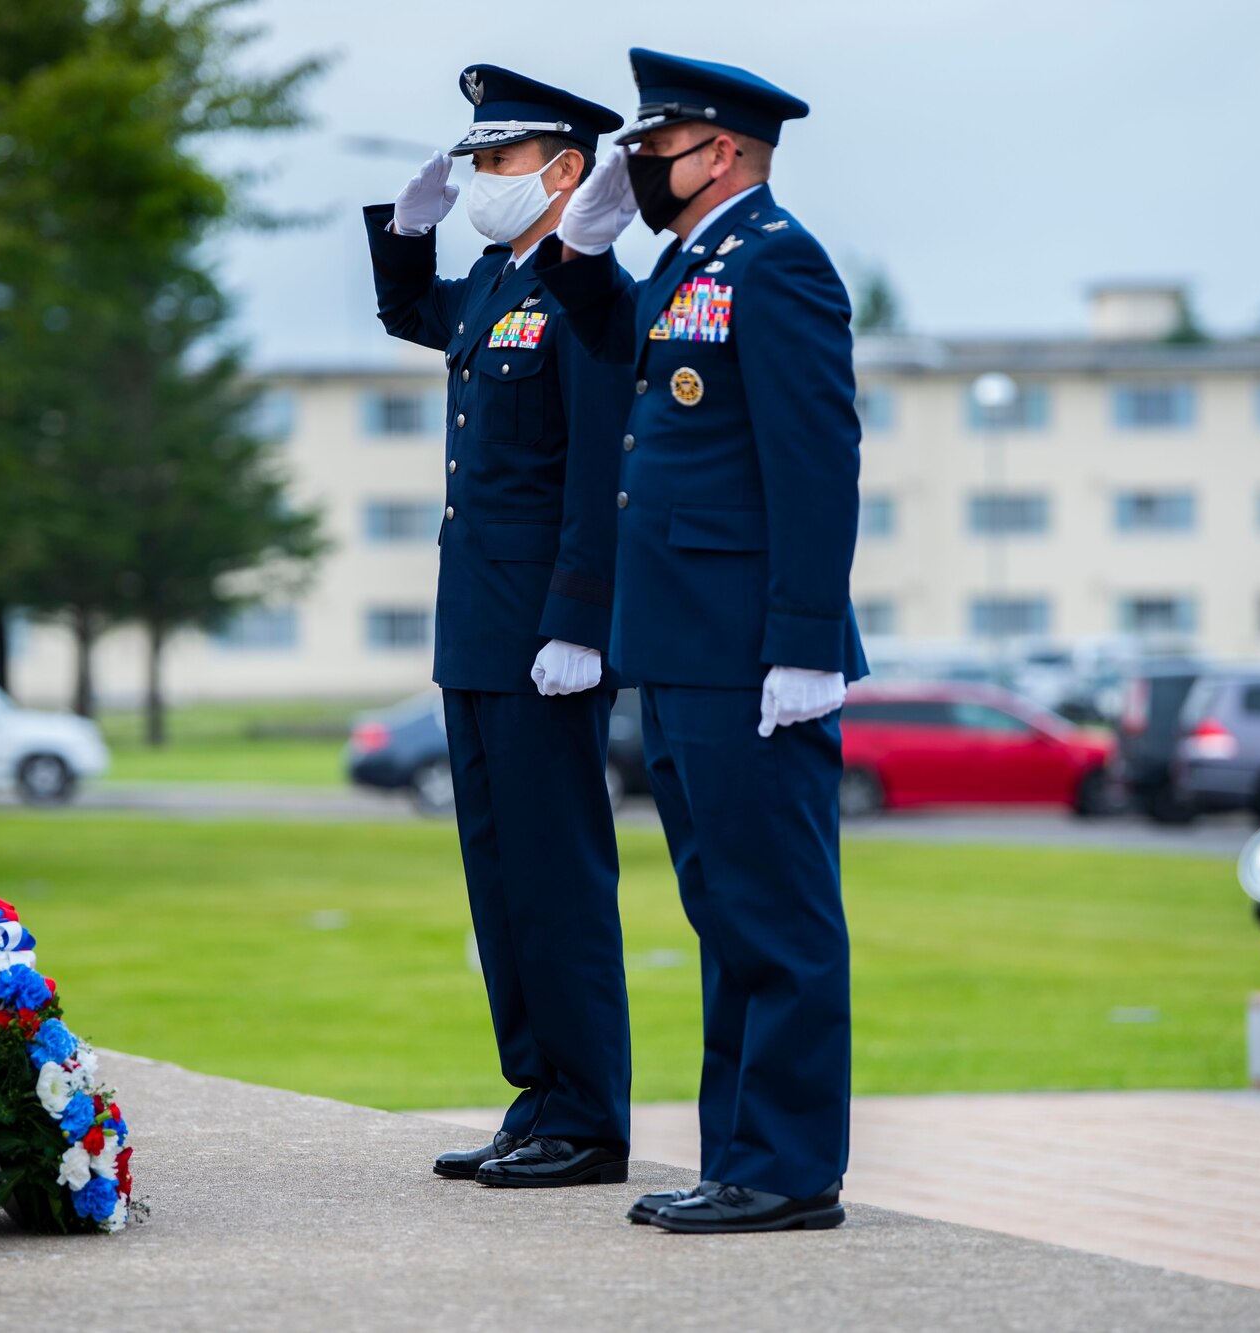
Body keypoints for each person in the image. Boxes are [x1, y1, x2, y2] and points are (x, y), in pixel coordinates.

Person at [533, 48, 867, 1232]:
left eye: (651, 147)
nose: (636, 163)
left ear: (717, 149)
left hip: (747, 655)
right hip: (676, 646)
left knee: (773, 915)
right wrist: (580, 240)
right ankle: (741, 1153)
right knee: (723, 914)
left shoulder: (776, 263)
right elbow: (603, 338)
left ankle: (785, 1169)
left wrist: (804, 644)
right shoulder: (690, 268)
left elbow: (815, 464)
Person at [364, 65, 636, 1189]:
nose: (480, 176)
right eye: (474, 160)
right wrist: (402, 231)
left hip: (542, 638)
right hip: (474, 625)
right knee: (498, 875)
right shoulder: (488, 281)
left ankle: (587, 1116)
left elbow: (596, 474)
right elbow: (405, 313)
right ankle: (538, 1092)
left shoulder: (586, 293)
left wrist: (578, 620)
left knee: (555, 877)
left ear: (567, 171)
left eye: (500, 159)